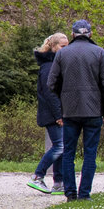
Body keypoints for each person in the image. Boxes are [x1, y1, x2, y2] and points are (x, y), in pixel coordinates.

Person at [47, 19, 104, 202]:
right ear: (90, 34)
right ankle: (85, 194)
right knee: (90, 153)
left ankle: (70, 194)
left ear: (73, 34)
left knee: (69, 152)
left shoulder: (62, 54)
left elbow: (51, 83)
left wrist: (64, 96)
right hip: (93, 111)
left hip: (70, 111)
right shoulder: (99, 53)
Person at [27, 32, 68, 195]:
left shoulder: (56, 64)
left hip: (56, 113)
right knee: (60, 146)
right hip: (52, 114)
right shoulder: (48, 67)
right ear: (53, 46)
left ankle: (58, 183)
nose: (66, 49)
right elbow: (50, 93)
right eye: (62, 46)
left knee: (61, 146)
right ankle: (38, 176)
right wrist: (59, 115)